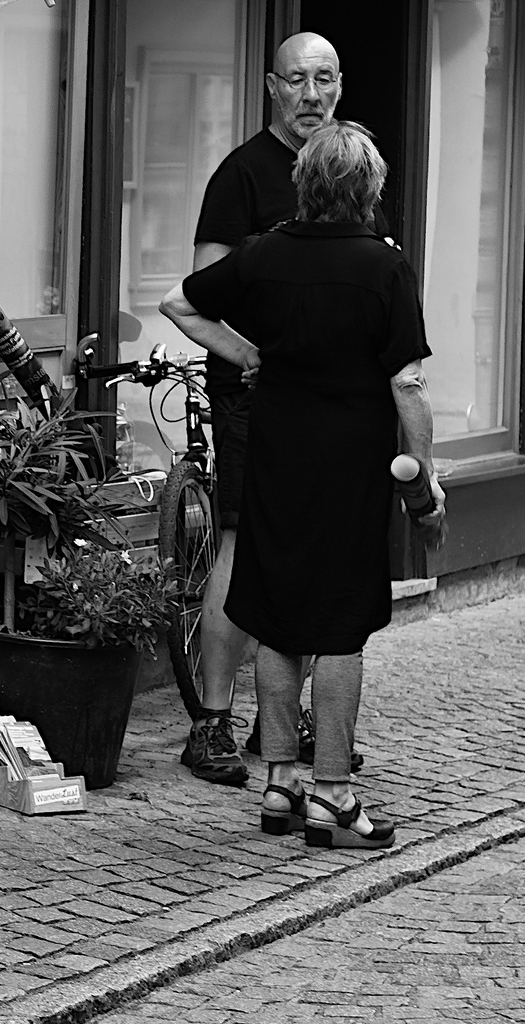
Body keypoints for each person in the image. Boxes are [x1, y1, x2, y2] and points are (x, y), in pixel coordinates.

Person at [161, 121, 445, 849]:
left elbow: (180, 304)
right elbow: (406, 387)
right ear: (369, 189)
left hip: (274, 456)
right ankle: (334, 796)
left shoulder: (262, 256)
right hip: (348, 466)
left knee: (279, 615)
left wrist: (247, 354)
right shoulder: (385, 268)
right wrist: (425, 485)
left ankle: (280, 783)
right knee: (341, 628)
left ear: (303, 184)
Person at [183, 31, 383, 786]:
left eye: (323, 78)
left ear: (339, 84)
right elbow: (200, 289)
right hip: (255, 404)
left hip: (331, 414)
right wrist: (249, 358)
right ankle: (210, 721)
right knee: (244, 551)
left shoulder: (347, 170)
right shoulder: (242, 175)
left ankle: (286, 726)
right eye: (296, 80)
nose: (311, 94)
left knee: (308, 559)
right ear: (271, 86)